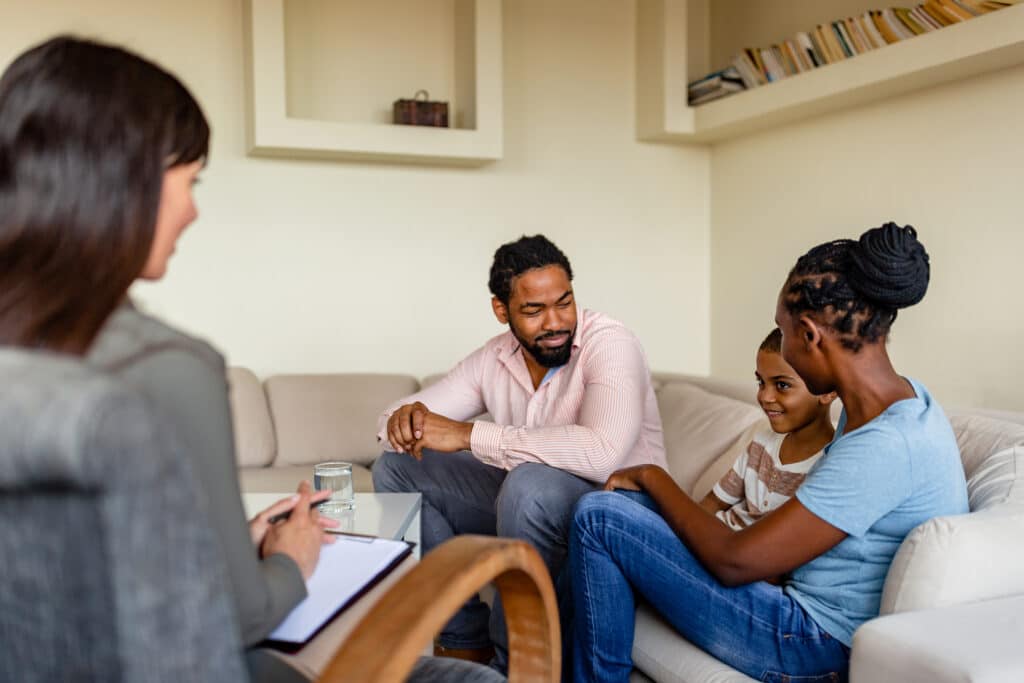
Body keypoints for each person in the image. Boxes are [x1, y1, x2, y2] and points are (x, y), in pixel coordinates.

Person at [0, 35, 500, 683]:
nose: (192, 210)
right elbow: (238, 616)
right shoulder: (165, 367)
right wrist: (291, 557)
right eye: (189, 181)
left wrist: (232, 545)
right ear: (126, 181)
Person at [566, 223, 969, 682]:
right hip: (797, 609)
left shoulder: (887, 445)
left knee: (599, 518)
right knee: (624, 506)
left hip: (812, 642)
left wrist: (653, 476)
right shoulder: (892, 403)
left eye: (783, 331)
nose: (784, 347)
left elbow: (735, 560)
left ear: (810, 335)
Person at [372, 234, 667, 670]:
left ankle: (518, 667)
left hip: (620, 509)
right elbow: (388, 424)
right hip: (530, 504)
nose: (556, 322)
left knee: (527, 483)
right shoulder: (495, 357)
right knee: (396, 468)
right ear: (501, 310)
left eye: (564, 302)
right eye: (533, 310)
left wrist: (470, 435)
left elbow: (603, 453)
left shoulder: (610, 343)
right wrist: (406, 420)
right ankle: (464, 639)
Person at [699, 327, 836, 533]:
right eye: (761, 382)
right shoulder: (761, 443)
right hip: (706, 538)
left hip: (731, 549)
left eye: (782, 385)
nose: (764, 396)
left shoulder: (830, 465)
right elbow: (712, 503)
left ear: (827, 391)